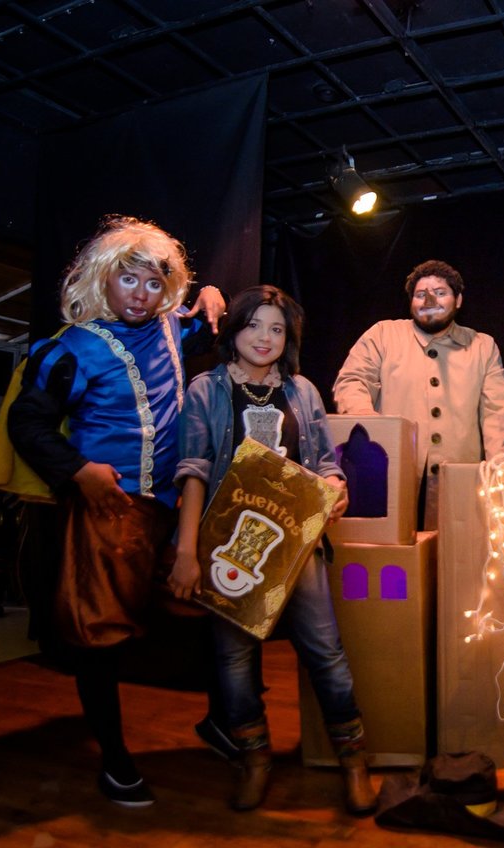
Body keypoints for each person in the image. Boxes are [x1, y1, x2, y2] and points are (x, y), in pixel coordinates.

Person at [8, 215, 224, 807]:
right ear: (104, 278)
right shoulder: (72, 349)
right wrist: (79, 471)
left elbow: (207, 325)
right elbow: (27, 423)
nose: (140, 295)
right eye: (129, 280)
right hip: (109, 509)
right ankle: (114, 758)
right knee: (100, 633)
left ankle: (222, 721)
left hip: (173, 508)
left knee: (218, 605)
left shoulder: (172, 331)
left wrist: (212, 294)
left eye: (154, 284)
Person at [168, 285, 378, 816]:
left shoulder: (302, 390)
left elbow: (324, 461)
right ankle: (255, 759)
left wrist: (336, 485)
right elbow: (192, 471)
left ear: (289, 338)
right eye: (254, 325)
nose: (265, 338)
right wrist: (186, 552)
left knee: (324, 651)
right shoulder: (206, 390)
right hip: (228, 543)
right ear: (234, 330)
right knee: (234, 659)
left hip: (296, 540)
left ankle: (355, 762)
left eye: (277, 329)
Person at [332, 259, 504, 527]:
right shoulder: (383, 334)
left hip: (458, 482)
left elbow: (497, 414)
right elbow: (352, 380)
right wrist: (370, 425)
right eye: (421, 294)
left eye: (440, 292)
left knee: (452, 549)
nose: (429, 300)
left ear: (458, 300)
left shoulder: (482, 346)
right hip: (391, 477)